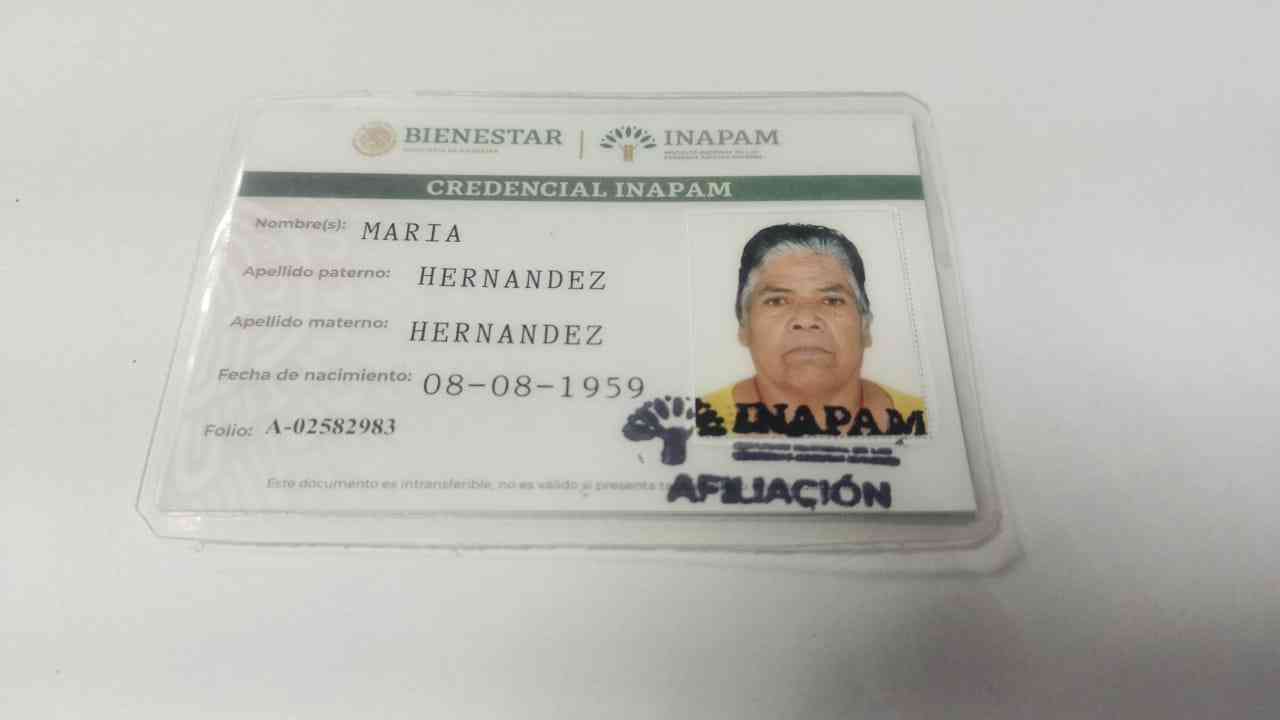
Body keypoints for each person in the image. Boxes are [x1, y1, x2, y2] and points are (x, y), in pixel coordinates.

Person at [700, 223, 925, 436]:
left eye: (832, 300)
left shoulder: (926, 420)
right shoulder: (693, 424)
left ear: (864, 325)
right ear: (744, 326)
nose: (806, 319)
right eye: (777, 301)